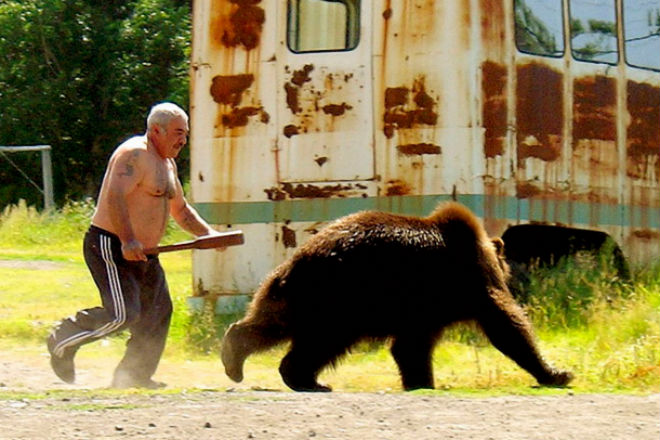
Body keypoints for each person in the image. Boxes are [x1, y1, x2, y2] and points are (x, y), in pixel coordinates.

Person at [47, 102, 217, 389]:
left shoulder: (167, 163)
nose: (183, 140)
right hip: (110, 246)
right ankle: (64, 336)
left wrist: (209, 234)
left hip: (146, 253)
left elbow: (181, 211)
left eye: (185, 134)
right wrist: (127, 240)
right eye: (178, 133)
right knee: (123, 313)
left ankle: (133, 376)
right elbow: (115, 197)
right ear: (155, 130)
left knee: (158, 313)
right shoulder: (134, 155)